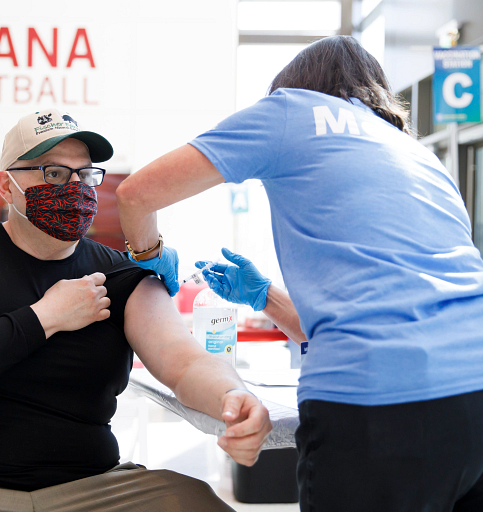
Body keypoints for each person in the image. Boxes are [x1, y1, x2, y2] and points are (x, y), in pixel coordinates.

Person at [115, 35, 483, 512]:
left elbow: (134, 195)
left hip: (376, 403)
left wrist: (149, 253)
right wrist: (265, 295)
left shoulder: (291, 111)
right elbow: (388, 304)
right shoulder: (418, 155)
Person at [0, 109, 272, 512]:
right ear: (6, 186)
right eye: (53, 173)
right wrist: (46, 316)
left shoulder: (123, 274)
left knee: (194, 503)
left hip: (89, 488)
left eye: (85, 174)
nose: (74, 186)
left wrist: (232, 396)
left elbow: (184, 363)